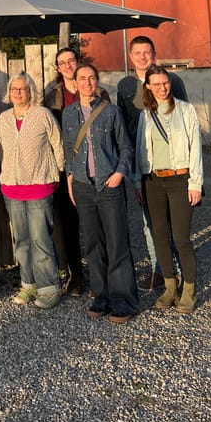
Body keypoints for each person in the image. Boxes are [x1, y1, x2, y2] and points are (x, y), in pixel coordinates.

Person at [63, 64, 139, 324]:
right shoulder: (68, 114)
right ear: (75, 82)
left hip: (109, 185)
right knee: (94, 244)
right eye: (82, 78)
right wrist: (70, 178)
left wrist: (119, 174)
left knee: (117, 242)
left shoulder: (112, 112)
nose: (87, 83)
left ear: (97, 82)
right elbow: (66, 151)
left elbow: (126, 148)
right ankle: (101, 295)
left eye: (91, 78)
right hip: (83, 186)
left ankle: (123, 300)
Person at [117, 35, 188, 291]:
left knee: (173, 221)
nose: (142, 56)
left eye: (147, 52)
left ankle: (178, 270)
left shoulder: (172, 81)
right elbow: (122, 124)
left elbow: (184, 118)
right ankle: (162, 270)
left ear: (154, 54)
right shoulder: (125, 85)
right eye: (137, 52)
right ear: (130, 55)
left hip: (170, 162)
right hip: (141, 163)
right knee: (150, 221)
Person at [136, 65, 203, 314]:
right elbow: (140, 149)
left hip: (180, 180)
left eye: (165, 83)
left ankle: (189, 290)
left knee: (181, 238)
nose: (162, 88)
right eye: (156, 84)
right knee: (160, 236)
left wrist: (195, 182)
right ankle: (170, 287)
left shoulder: (185, 110)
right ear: (148, 87)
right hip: (153, 181)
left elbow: (195, 147)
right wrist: (137, 181)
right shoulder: (146, 114)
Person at [44, 46, 110, 296]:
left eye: (72, 61)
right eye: (63, 63)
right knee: (67, 224)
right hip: (65, 165)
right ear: (58, 68)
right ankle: (74, 274)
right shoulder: (51, 95)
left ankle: (100, 273)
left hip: (94, 166)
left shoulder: (100, 92)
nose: (68, 66)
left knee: (97, 223)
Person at [0, 72, 64, 309]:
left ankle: (50, 287)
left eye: (23, 89)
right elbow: (0, 150)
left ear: (31, 92)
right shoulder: (3, 118)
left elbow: (57, 143)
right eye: (14, 89)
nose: (17, 92)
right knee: (22, 241)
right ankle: (28, 284)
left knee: (40, 238)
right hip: (12, 188)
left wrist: (58, 172)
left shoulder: (42, 114)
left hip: (39, 184)